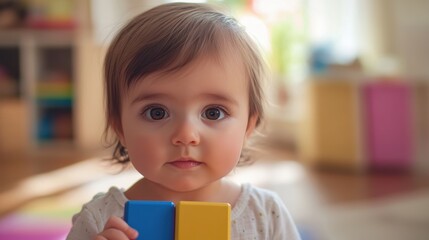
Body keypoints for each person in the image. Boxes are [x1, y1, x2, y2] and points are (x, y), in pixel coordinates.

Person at [66, 2, 301, 240]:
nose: (186, 134)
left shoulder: (266, 215)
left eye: (213, 113)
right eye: (156, 112)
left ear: (248, 126)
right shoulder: (100, 220)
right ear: (120, 127)